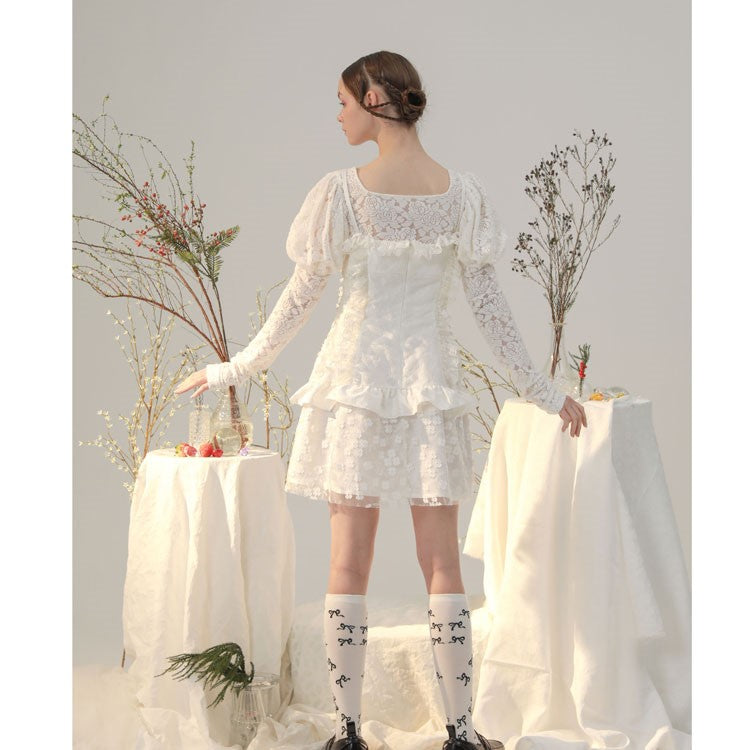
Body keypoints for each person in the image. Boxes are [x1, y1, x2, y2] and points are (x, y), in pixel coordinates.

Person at [176, 50, 587, 750]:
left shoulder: (341, 194)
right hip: (427, 385)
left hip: (355, 387)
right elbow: (491, 312)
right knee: (442, 564)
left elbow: (299, 302)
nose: (336, 115)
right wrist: (544, 393)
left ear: (373, 98)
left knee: (348, 563)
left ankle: (347, 734)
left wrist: (235, 368)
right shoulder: (461, 196)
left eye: (342, 101)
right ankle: (461, 733)